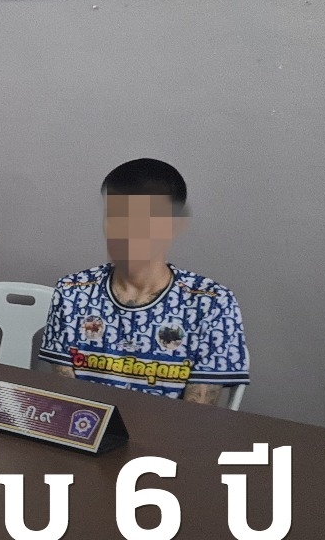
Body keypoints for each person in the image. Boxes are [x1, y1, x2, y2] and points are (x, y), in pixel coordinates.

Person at [38, 158, 249, 405]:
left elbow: (196, 416)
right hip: (89, 425)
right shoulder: (72, 292)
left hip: (168, 429)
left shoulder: (211, 303)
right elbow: (67, 401)